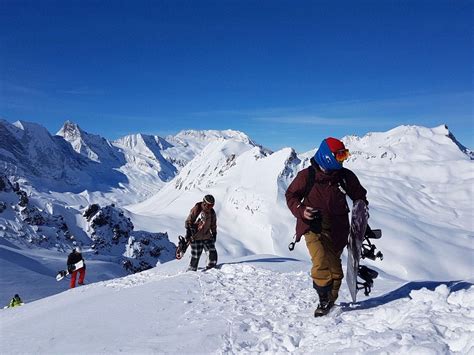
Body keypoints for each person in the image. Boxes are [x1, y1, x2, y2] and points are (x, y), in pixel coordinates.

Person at [285, 137, 368, 317]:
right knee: (320, 261)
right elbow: (291, 195)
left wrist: (361, 209)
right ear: (328, 156)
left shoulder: (345, 177)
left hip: (338, 229)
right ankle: (323, 301)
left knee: (336, 272)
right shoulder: (306, 177)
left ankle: (330, 299)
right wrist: (301, 210)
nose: (343, 159)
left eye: (344, 155)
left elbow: (360, 195)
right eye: (339, 155)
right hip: (313, 227)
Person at [185, 194, 218, 271]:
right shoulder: (197, 209)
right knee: (196, 256)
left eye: (212, 205)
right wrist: (189, 231)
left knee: (212, 253)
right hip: (195, 237)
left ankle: (211, 270)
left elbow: (213, 224)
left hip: (207, 236)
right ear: (204, 203)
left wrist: (214, 233)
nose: (210, 207)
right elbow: (188, 221)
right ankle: (191, 272)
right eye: (209, 205)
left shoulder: (212, 212)